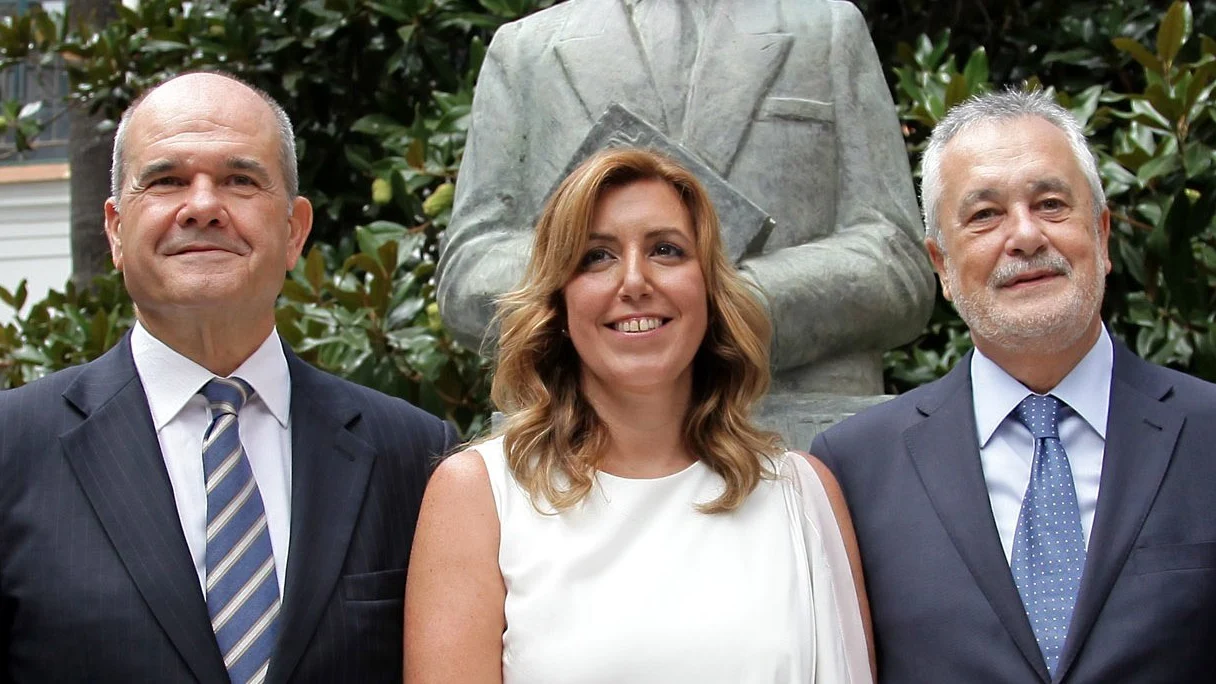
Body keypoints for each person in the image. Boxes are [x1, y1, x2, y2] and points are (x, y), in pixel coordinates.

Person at [0, 72, 457, 683]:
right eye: (166, 181)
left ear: (295, 230)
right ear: (115, 229)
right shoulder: (10, 450)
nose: (204, 206)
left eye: (240, 180)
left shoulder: (415, 456)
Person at [405, 148, 873, 683]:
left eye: (667, 250)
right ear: (559, 302)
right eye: (596, 257)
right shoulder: (479, 497)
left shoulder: (800, 495)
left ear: (709, 292)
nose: (634, 282)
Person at [811, 88, 1216, 683]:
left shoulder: (1208, 435)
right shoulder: (853, 469)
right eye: (984, 216)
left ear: (1102, 236)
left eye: (1051, 204)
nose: (1025, 236)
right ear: (942, 267)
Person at [436, 0, 934, 397]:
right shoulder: (525, 51)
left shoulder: (828, 29)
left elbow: (898, 262)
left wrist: (728, 302)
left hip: (799, 437)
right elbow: (468, 273)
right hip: (578, 446)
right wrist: (598, 284)